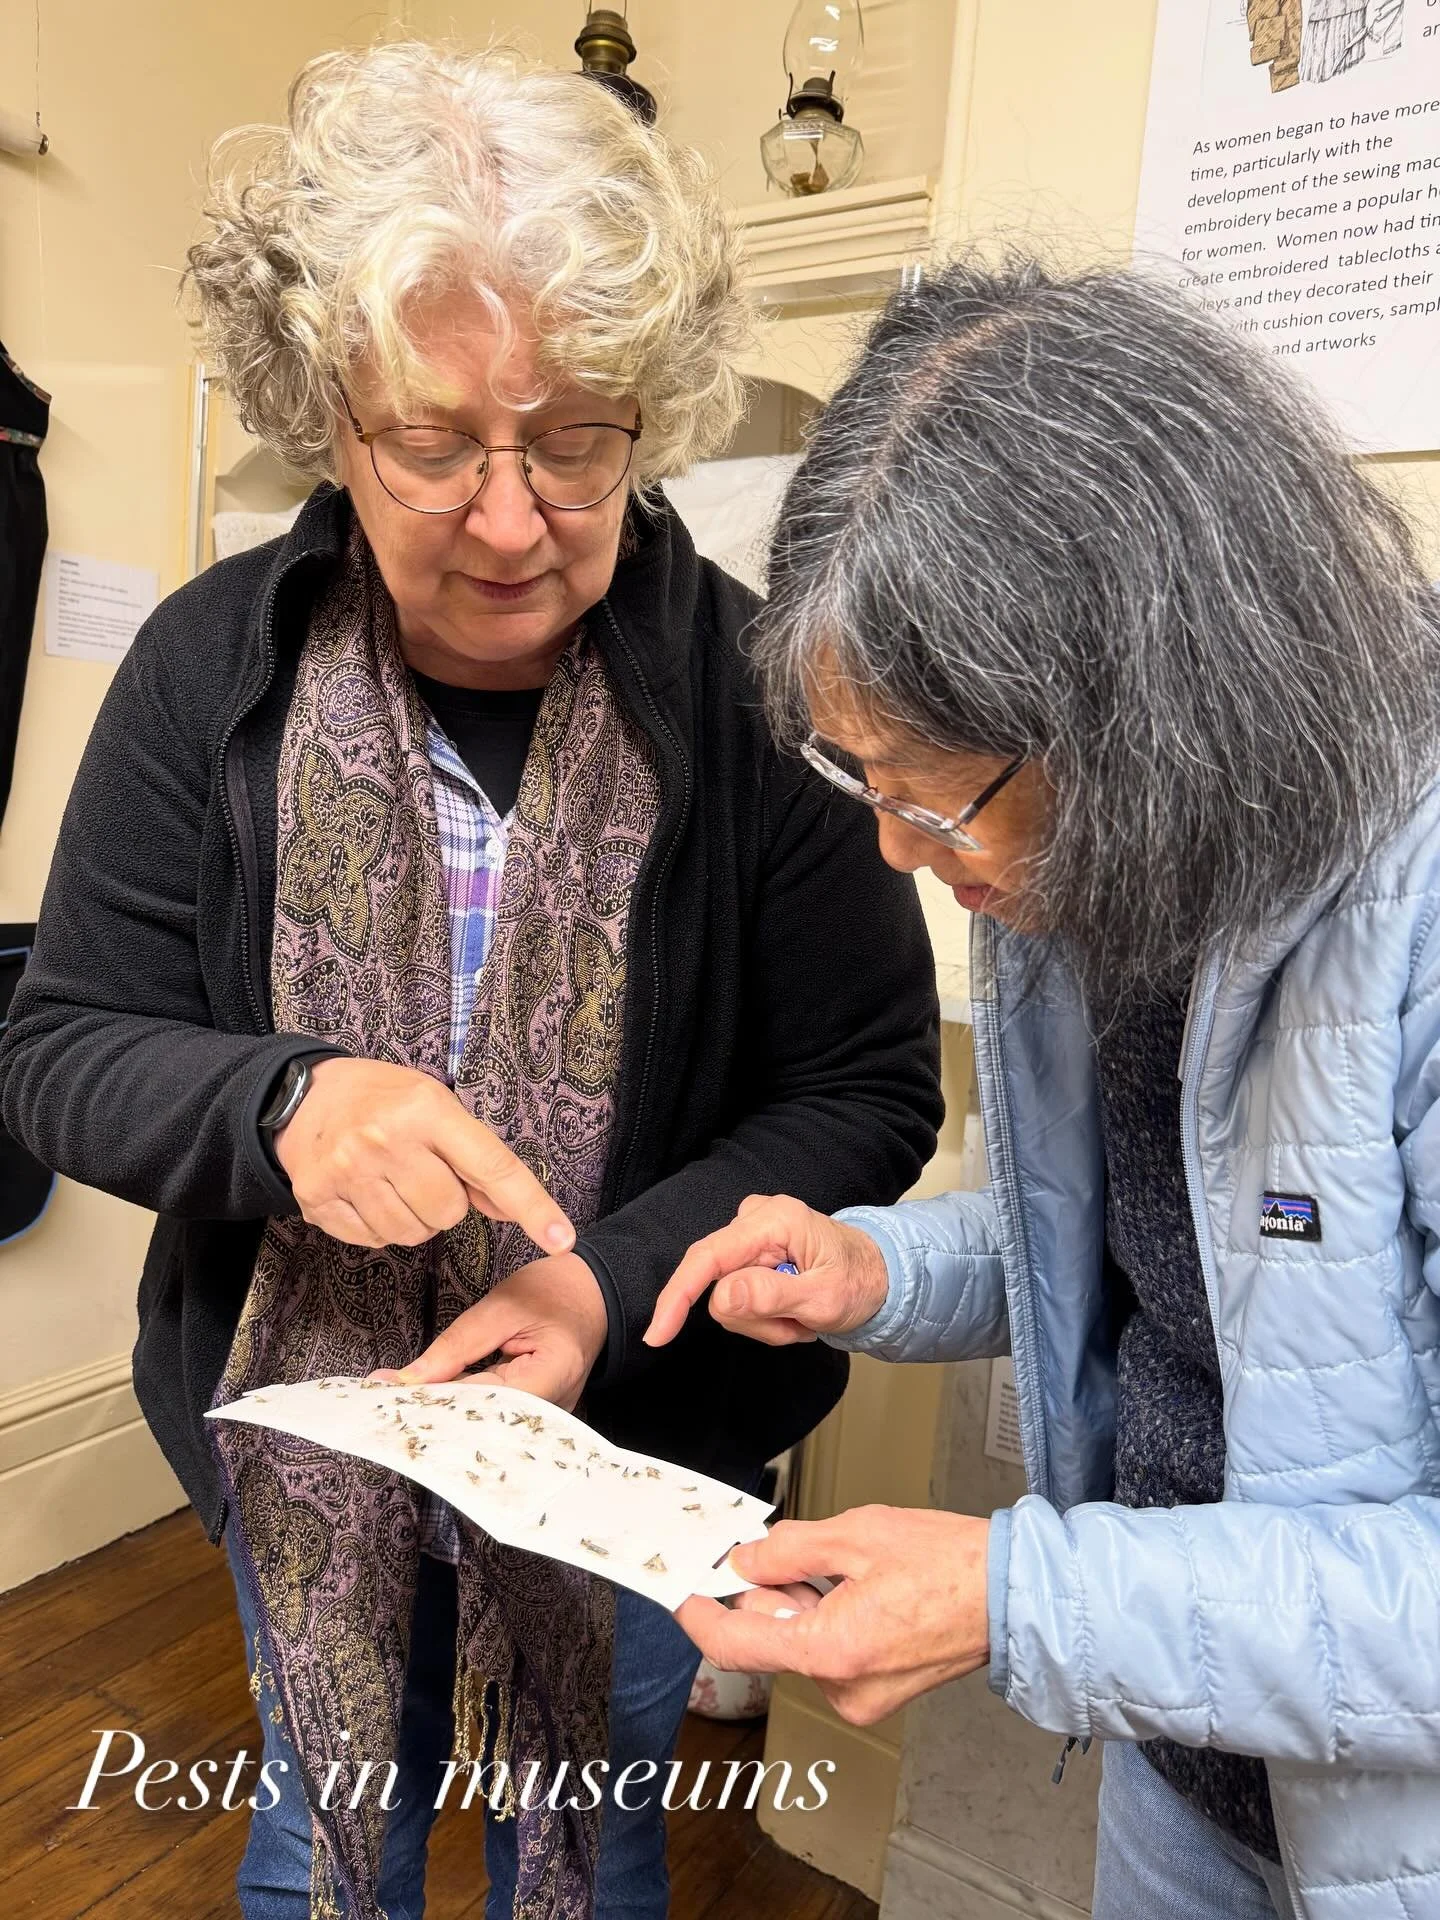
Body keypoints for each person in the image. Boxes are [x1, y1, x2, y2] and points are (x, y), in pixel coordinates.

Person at [0, 45, 942, 1920]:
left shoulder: (761, 700)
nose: (509, 519)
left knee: (589, 1854)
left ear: (649, 416)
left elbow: (868, 1090)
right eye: (433, 443)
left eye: (576, 437)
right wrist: (279, 1105)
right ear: (328, 422)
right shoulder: (209, 670)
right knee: (313, 1847)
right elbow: (55, 1051)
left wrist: (598, 1285)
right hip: (301, 1452)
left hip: (629, 1455)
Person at [649, 258, 1440, 1920]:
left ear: (1160, 696)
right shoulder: (1092, 866)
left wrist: (1015, 1598)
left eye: (939, 804)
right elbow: (1177, 1267)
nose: (902, 855)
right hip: (1183, 1753)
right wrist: (883, 1269)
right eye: (867, 784)